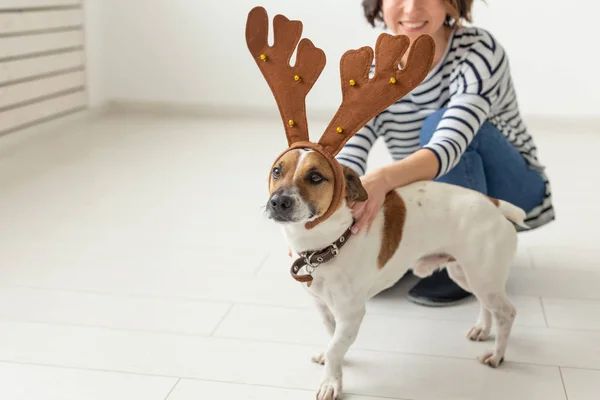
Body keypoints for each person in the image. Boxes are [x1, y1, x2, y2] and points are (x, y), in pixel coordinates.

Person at [335, 0, 555, 306]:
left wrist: (381, 179)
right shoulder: (374, 72)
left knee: (438, 125)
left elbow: (448, 146)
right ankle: (427, 248)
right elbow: (350, 152)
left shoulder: (478, 50)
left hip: (512, 187)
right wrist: (328, 211)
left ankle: (463, 255)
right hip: (439, 193)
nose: (411, 9)